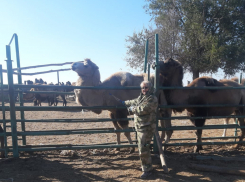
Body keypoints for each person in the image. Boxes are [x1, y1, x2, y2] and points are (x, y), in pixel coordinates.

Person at [122, 81, 158, 179]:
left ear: (150, 88)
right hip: (140, 127)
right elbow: (133, 101)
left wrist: (132, 109)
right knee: (142, 148)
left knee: (143, 149)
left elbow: (143, 109)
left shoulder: (152, 98)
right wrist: (124, 102)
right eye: (142, 88)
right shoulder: (141, 97)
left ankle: (148, 170)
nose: (144, 89)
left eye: (146, 87)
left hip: (147, 127)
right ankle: (146, 165)